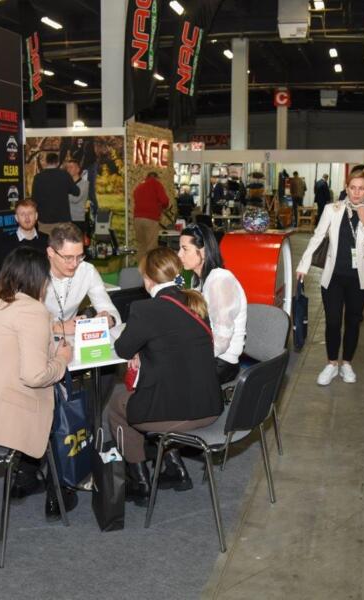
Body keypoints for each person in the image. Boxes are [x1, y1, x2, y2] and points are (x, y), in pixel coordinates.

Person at [0, 246, 75, 518]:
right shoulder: (33, 310)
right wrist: (62, 360)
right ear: (38, 278)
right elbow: (35, 376)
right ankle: (60, 490)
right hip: (1, 418)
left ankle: (26, 475)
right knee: (65, 404)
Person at [106, 247, 223, 503]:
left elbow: (123, 349)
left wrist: (139, 349)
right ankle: (175, 469)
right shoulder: (195, 303)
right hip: (210, 406)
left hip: (175, 413)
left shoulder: (145, 309)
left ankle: (140, 482)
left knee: (117, 406)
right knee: (167, 392)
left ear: (147, 278)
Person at [296, 171, 364, 386]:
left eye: (361, 188)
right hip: (334, 276)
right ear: (346, 188)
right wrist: (303, 264)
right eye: (352, 187)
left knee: (353, 321)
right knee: (333, 321)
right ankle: (331, 364)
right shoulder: (332, 209)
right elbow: (318, 236)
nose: (356, 192)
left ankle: (346, 363)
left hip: (360, 279)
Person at [178, 223, 248, 384]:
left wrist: (185, 354)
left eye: (185, 249)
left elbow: (221, 341)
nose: (179, 254)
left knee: (165, 375)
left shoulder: (219, 281)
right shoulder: (198, 280)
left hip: (222, 362)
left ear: (203, 251)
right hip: (209, 353)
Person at [43, 223, 122, 338]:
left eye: (79, 256)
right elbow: (21, 320)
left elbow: (109, 309)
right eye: (68, 257)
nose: (74, 264)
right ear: (51, 252)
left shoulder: (87, 271)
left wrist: (110, 319)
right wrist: (58, 327)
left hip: (72, 339)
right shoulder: (32, 273)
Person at [32, 152, 80, 235]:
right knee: (64, 242)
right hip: (63, 220)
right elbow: (77, 192)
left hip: (45, 220)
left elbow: (34, 199)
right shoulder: (65, 175)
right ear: (57, 162)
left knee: (46, 242)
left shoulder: (38, 177)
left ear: (46, 162)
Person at [133, 172, 170, 262]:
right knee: (151, 246)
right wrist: (162, 206)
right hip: (151, 219)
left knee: (141, 245)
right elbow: (164, 200)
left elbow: (135, 197)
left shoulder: (139, 186)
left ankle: (140, 267)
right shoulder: (156, 184)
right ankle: (150, 268)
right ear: (156, 177)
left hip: (137, 219)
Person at [0, 198, 47, 266]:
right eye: (22, 214)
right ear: (16, 218)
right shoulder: (6, 244)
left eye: (30, 213)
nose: (27, 217)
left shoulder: (47, 240)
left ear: (36, 216)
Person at [65, 160, 91, 236]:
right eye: (67, 167)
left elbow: (75, 199)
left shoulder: (85, 184)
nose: (68, 169)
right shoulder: (66, 183)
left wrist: (62, 194)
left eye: (71, 167)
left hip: (78, 219)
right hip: (66, 219)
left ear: (78, 170)